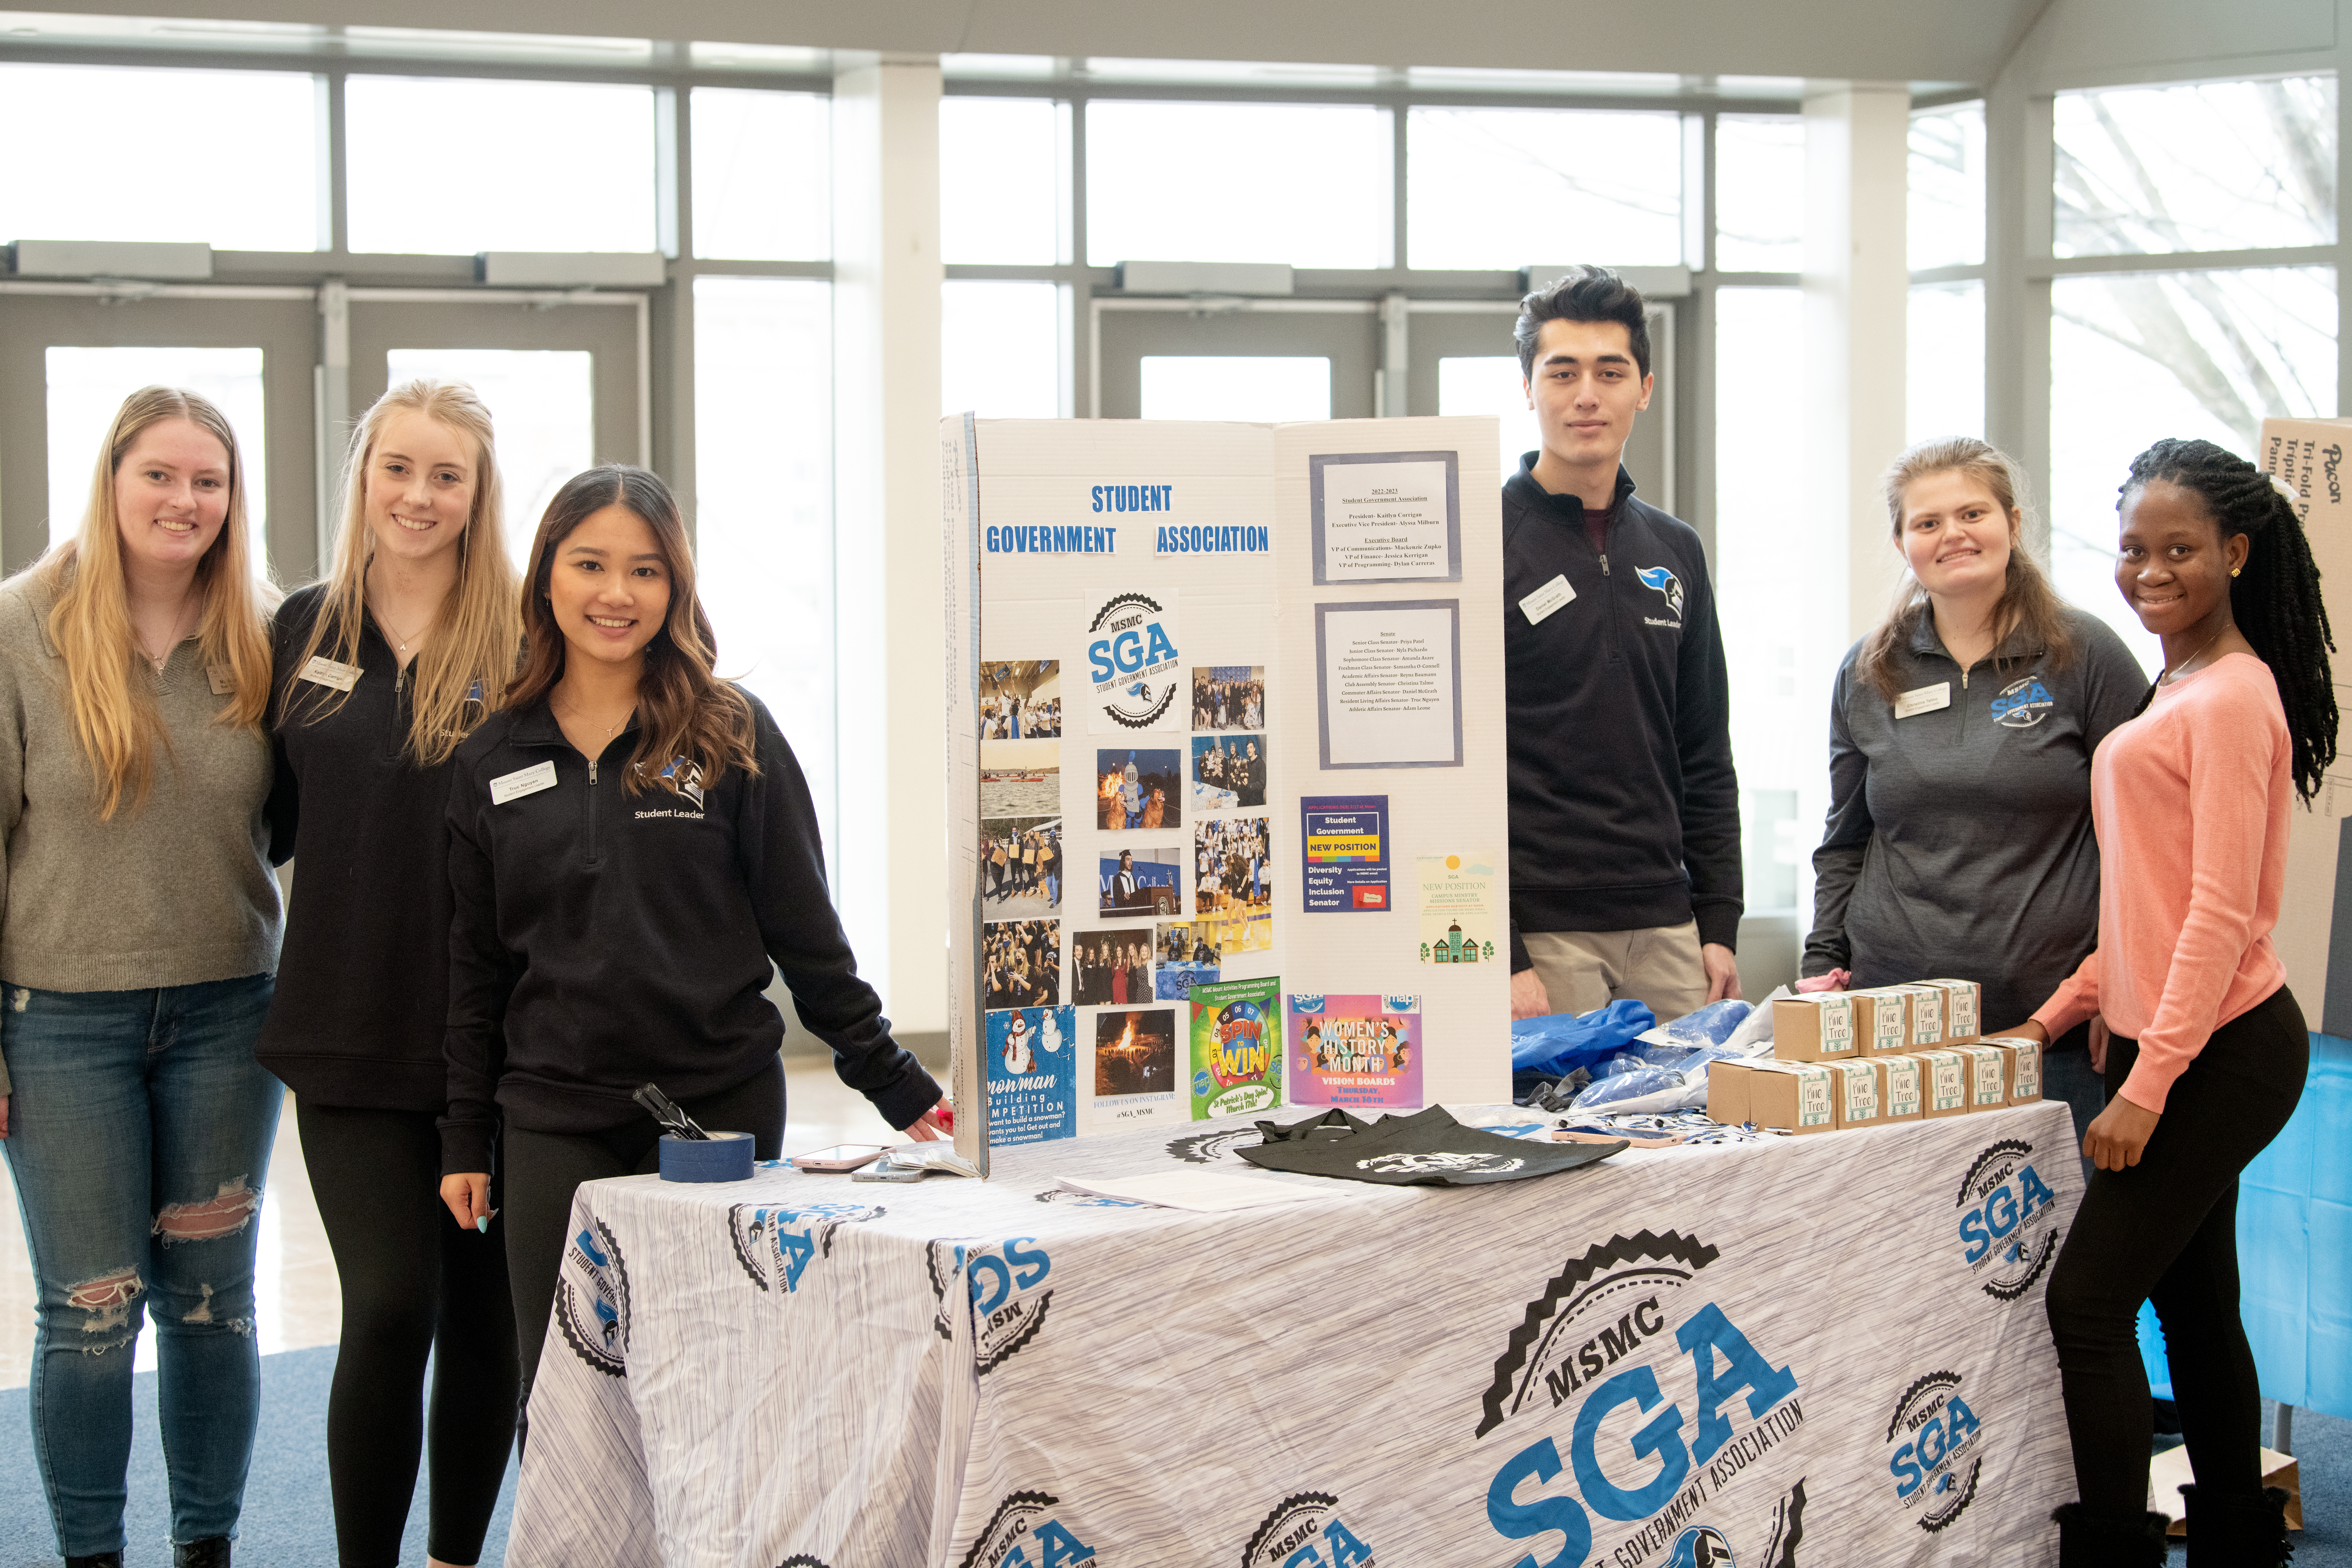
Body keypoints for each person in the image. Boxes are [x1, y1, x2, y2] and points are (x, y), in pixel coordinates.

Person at [437, 465, 947, 1437]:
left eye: (646, 571)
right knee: (561, 1395)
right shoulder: (493, 754)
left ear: (677, 589)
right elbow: (475, 969)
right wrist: (466, 1136)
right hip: (554, 1113)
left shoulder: (732, 734)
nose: (616, 594)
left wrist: (898, 1084)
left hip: (718, 1108)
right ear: (547, 574)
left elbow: (807, 933)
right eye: (590, 564)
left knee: (717, 1385)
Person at [1996, 440, 2335, 1567]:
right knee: (2194, 1310)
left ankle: (2113, 1553)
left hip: (2221, 1052)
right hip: (2171, 1040)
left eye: (2179, 549)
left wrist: (2145, 1086)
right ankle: (2238, 1542)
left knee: (2088, 1309)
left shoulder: (2234, 697)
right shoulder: (2179, 683)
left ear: (2237, 553)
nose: (2149, 570)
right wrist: (2052, 1018)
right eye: (2133, 548)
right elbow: (2141, 908)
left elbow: (2220, 917)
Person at [0, 387, 285, 1568]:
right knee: (90, 1315)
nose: (184, 501)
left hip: (230, 1013)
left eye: (207, 481)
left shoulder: (270, 634)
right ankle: (92, 1556)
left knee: (214, 1312)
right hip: (60, 1021)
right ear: (111, 482)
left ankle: (205, 1549)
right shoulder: (21, 626)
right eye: (159, 476)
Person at [259, 380, 524, 1568]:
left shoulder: (525, 642)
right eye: (398, 468)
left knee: (486, 1321)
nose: (418, 496)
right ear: (364, 475)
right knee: (386, 1307)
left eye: (446, 475)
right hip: (347, 1029)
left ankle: (456, 1557)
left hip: (507, 1043)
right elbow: (253, 816)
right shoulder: (297, 631)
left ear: (479, 496)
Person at [1802, 439, 2144, 1148]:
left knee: (2054, 1248)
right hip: (1895, 1023)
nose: (1952, 534)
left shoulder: (2085, 653)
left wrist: (2121, 981)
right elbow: (1846, 841)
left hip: (2055, 1029)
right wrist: (1819, 962)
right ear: (1902, 543)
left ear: (2013, 524)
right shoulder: (1867, 671)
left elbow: (2143, 841)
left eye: (1972, 513)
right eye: (1927, 523)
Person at [1503, 267, 1742, 1024]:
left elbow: (1705, 749)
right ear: (1528, 388)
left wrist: (1719, 924)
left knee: (1697, 1137)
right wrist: (1500, 952)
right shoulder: (1474, 543)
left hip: (1669, 928)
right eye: (1562, 372)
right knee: (1557, 1140)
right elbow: (1444, 770)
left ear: (1643, 388)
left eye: (1610, 373)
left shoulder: (1676, 549)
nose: (1586, 395)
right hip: (1541, 935)